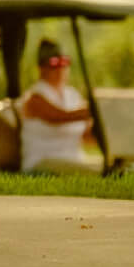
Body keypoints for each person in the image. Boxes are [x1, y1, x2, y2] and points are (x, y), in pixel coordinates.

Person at [19, 39, 100, 174]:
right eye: (54, 63)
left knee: (118, 170)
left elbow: (87, 137)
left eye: (65, 62)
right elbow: (59, 116)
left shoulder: (72, 95)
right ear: (41, 67)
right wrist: (97, 110)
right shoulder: (34, 97)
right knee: (99, 174)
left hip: (74, 160)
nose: (61, 68)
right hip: (42, 162)